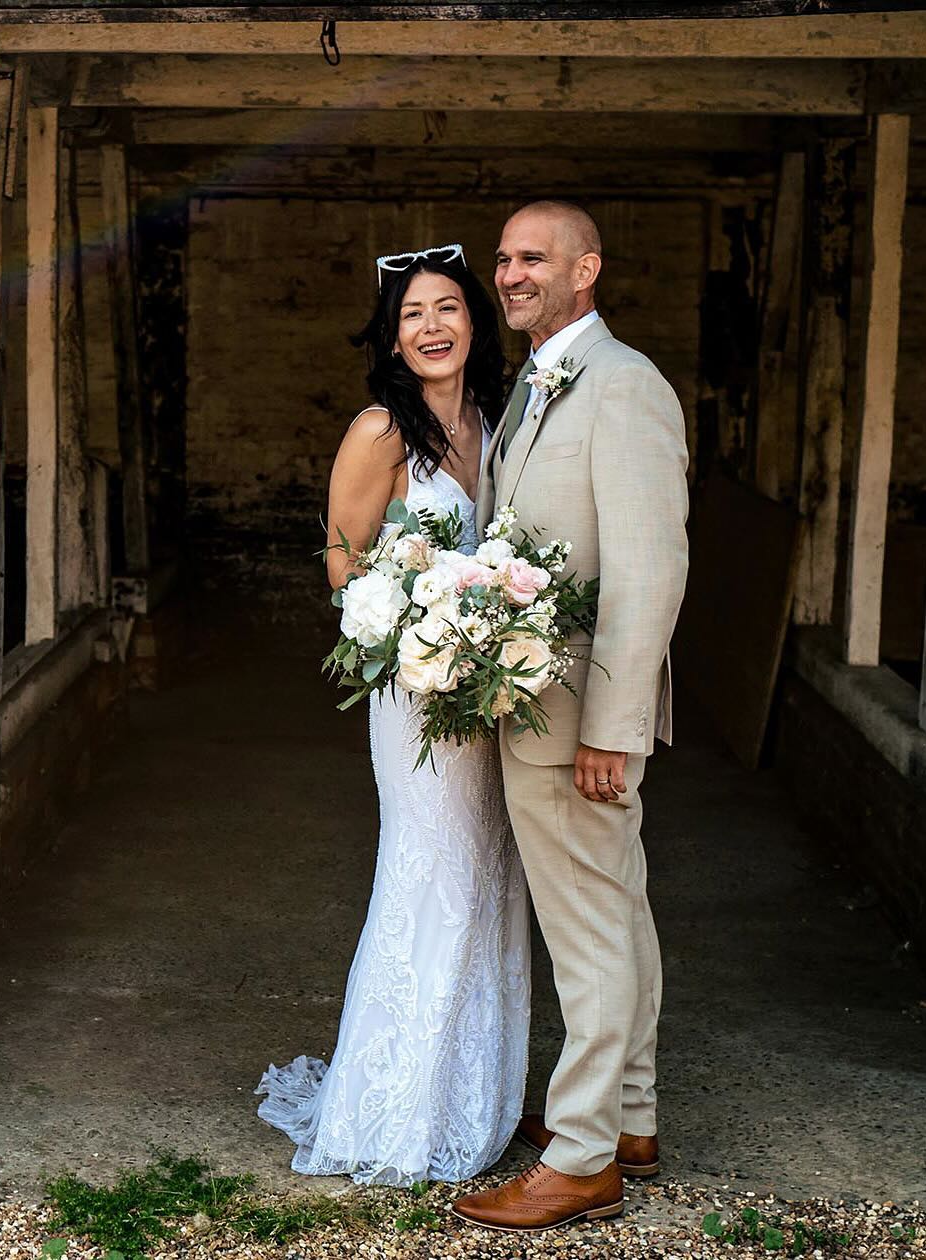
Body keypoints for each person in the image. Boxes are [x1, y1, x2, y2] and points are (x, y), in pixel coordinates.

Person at [255, 245, 530, 1187]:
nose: (433, 327)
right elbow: (343, 564)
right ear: (392, 334)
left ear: (473, 322)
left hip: (483, 690)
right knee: (430, 873)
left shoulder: (492, 426)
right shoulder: (380, 431)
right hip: (415, 691)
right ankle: (394, 1109)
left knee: (489, 875)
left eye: (448, 308)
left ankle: (468, 1093)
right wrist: (423, 626)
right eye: (413, 314)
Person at [454, 201, 689, 1233]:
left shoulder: (627, 385)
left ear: (586, 269)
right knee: (617, 911)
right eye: (504, 258)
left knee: (587, 932)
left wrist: (611, 726)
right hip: (539, 702)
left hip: (575, 718)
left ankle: (585, 1157)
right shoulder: (544, 377)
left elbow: (650, 568)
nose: (511, 273)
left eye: (533, 258)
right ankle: (627, 1117)